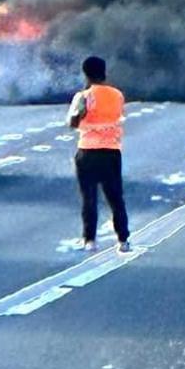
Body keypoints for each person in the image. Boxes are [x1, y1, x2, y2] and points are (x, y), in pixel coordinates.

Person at [67, 55, 130, 253]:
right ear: (104, 72)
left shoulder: (83, 97)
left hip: (87, 151)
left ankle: (90, 240)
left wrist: (81, 113)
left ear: (85, 74)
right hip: (111, 151)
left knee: (89, 197)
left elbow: (73, 123)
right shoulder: (117, 95)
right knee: (115, 197)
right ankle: (123, 239)